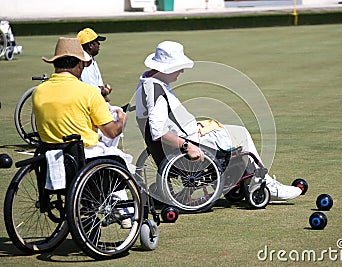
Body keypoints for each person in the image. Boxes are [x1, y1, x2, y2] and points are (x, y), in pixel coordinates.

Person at [135, 40, 302, 201]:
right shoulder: (156, 91)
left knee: (233, 131)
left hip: (189, 135)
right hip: (190, 142)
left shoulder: (147, 82)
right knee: (241, 135)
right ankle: (263, 184)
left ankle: (250, 179)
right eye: (179, 68)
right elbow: (158, 133)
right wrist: (187, 146)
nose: (182, 71)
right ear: (166, 68)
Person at [33, 37, 132, 228]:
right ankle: (125, 212)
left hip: (51, 156)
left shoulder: (39, 91)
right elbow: (111, 132)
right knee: (119, 161)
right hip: (83, 157)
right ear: (79, 64)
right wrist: (121, 119)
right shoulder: (88, 92)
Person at [77, 27, 122, 148]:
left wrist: (104, 91)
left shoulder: (91, 59)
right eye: (97, 42)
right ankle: (107, 149)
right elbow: (92, 90)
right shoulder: (85, 63)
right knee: (118, 116)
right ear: (90, 45)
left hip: (92, 100)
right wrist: (105, 91)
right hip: (88, 104)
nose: (99, 45)